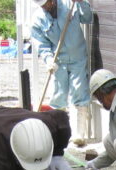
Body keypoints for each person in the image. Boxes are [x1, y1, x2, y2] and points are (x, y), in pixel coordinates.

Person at [31, 0, 93, 141]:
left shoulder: (69, 5)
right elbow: (41, 44)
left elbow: (88, 18)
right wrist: (48, 60)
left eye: (47, 3)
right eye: (42, 5)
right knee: (57, 96)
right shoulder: (37, 19)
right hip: (58, 61)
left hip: (78, 58)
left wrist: (81, 2)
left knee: (79, 92)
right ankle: (59, 133)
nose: (46, 6)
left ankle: (79, 135)